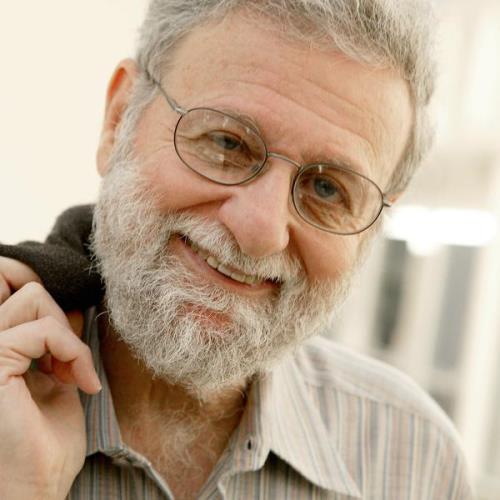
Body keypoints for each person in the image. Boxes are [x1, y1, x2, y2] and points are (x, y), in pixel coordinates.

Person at [0, 1, 475, 499]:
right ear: (119, 121)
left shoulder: (417, 462)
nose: (260, 230)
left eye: (327, 189)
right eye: (227, 143)